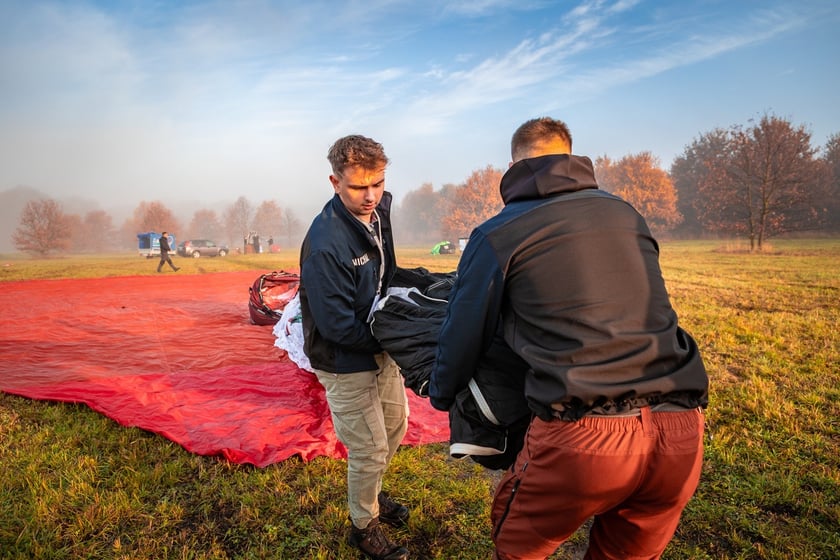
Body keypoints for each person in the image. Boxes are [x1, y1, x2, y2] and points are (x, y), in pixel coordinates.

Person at [429, 117, 709, 560]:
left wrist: (441, 393)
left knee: (518, 547)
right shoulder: (626, 214)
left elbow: (464, 331)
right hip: (681, 430)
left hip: (586, 437)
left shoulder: (498, 233)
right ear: (572, 154)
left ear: (513, 164)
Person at [299, 134, 410, 560]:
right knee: (369, 446)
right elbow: (337, 326)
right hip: (344, 357)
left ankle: (374, 496)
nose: (371, 196)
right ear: (334, 182)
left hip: (379, 344)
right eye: (358, 187)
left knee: (395, 426)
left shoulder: (378, 210)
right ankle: (364, 525)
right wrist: (402, 340)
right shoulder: (325, 244)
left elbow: (388, 270)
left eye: (378, 183)